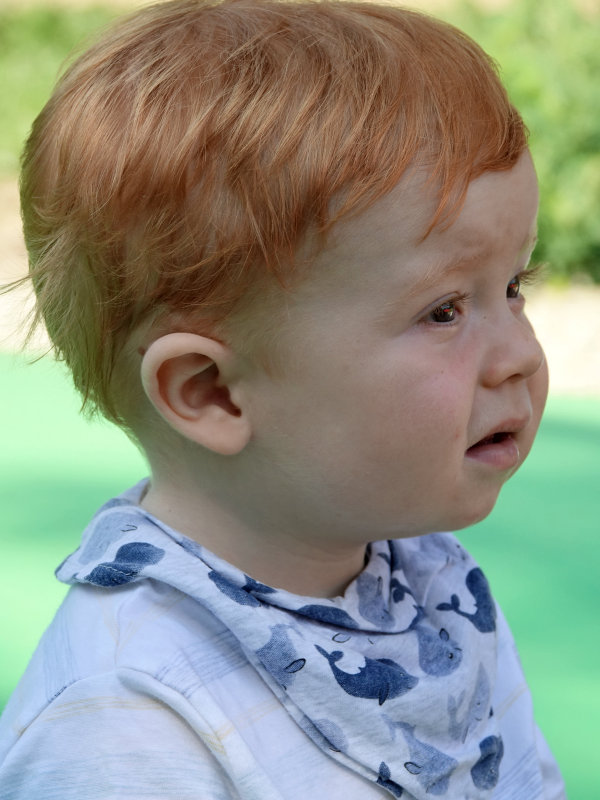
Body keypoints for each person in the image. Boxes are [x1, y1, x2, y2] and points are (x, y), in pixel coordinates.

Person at [0, 1, 565, 797]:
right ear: (213, 393)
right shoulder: (127, 727)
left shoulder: (427, 583)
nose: (520, 355)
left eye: (513, 286)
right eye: (443, 311)